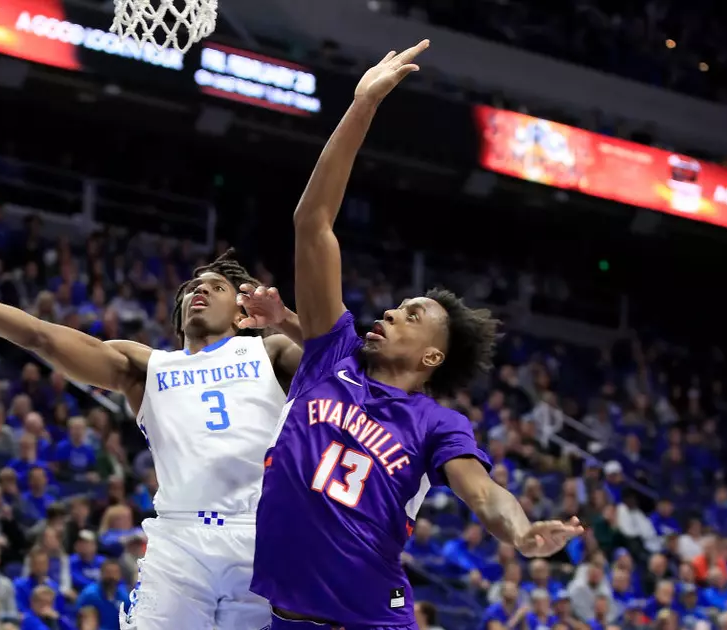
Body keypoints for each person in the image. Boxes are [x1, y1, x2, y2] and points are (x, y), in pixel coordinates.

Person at [250, 42, 583, 629]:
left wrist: (522, 531)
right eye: (398, 306)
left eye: (410, 315)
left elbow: (482, 494)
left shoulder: (438, 425)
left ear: (432, 354)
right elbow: (313, 224)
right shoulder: (331, 356)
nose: (390, 314)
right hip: (284, 619)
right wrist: (362, 106)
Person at [0, 214, 305, 630]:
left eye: (217, 287)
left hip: (258, 535)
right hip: (181, 543)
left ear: (241, 314)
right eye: (194, 288)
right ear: (179, 315)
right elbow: (39, 336)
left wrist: (284, 319)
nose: (201, 290)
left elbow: (348, 365)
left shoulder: (269, 352)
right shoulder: (146, 365)